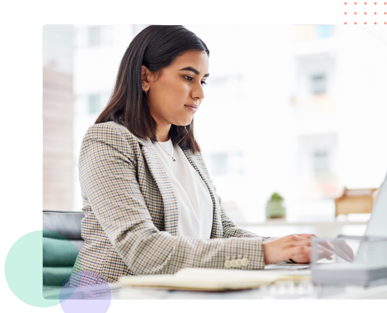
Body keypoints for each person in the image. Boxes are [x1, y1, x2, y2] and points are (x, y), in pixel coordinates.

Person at [69, 25, 334, 286]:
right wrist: (266, 253)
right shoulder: (107, 141)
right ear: (144, 77)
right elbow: (143, 249)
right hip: (110, 299)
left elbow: (222, 232)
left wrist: (289, 250)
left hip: (183, 293)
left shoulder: (186, 151)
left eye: (203, 81)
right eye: (188, 77)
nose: (200, 93)